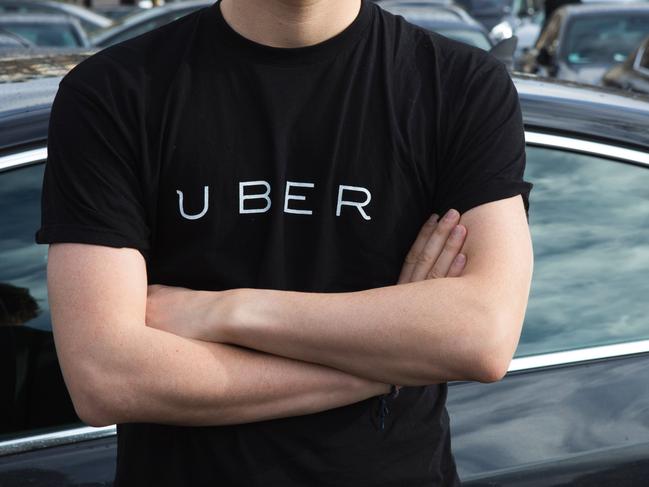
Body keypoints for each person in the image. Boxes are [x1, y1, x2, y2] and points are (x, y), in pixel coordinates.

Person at [34, 0, 534, 485]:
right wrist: (390, 370)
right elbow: (107, 378)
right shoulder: (115, 90)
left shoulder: (459, 85)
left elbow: (481, 335)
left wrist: (225, 312)